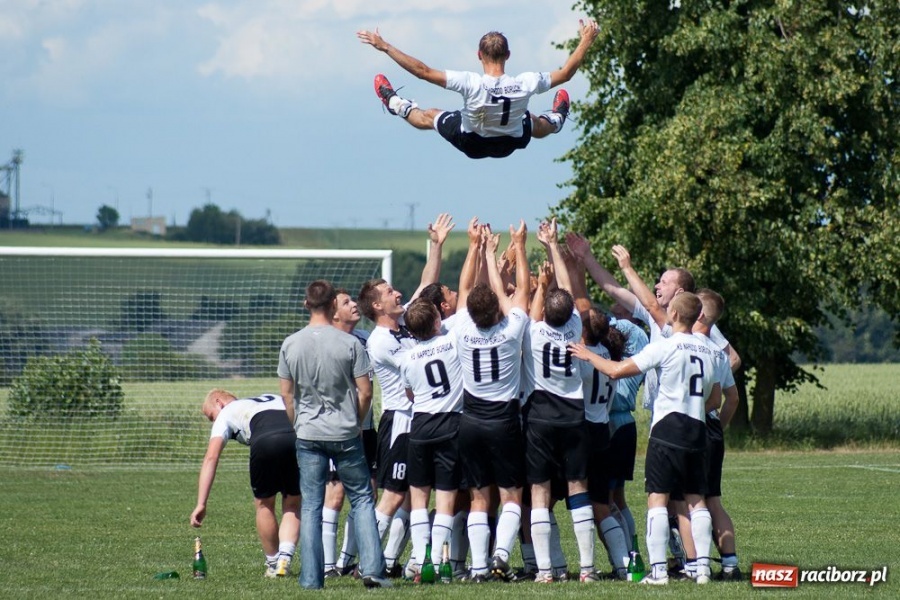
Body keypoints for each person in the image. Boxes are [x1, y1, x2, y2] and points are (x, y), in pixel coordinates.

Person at [569, 292, 722, 585]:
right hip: (698, 430)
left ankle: (659, 571)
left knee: (657, 499)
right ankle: (702, 569)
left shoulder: (665, 346)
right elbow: (715, 398)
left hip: (667, 430)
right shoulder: (708, 348)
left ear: (674, 315)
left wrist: (588, 355)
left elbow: (616, 370)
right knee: (696, 499)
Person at [357, 213, 455, 575]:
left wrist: (437, 244)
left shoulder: (403, 324)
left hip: (420, 420)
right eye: (389, 292)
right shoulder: (381, 342)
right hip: (400, 421)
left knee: (413, 498)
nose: (397, 293)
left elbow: (426, 284)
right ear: (376, 306)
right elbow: (415, 376)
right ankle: (362, 560)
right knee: (394, 495)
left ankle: (394, 562)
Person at [278, 279, 390, 589]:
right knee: (363, 500)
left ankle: (311, 579)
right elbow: (366, 391)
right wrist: (356, 422)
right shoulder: (351, 344)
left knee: (311, 505)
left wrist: (297, 424)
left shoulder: (290, 344)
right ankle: (372, 571)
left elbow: (287, 395)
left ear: (306, 304)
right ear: (331, 306)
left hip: (308, 433)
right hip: (345, 432)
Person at [356, 19, 599, 159]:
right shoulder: (526, 82)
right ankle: (558, 118)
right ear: (508, 55)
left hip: (471, 142)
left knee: (430, 115)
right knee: (534, 122)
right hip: (510, 143)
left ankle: (395, 103)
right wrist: (586, 40)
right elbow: (566, 74)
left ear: (478, 55)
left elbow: (423, 71)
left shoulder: (470, 82)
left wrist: (385, 46)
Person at [454, 217, 530, 581]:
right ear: (499, 308)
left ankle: (479, 567)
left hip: (470, 422)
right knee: (512, 494)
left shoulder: (462, 328)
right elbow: (520, 291)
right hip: (503, 421)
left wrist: (478, 248)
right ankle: (501, 554)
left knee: (479, 498)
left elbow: (464, 287)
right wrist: (518, 248)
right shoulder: (512, 330)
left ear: (470, 312)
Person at [190, 390, 300, 578]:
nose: (213, 422)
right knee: (293, 504)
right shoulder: (272, 398)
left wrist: (201, 503)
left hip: (264, 441)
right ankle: (285, 559)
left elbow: (211, 457)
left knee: (264, 505)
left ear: (219, 403)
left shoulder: (227, 411)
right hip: (294, 438)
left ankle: (273, 563)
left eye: (211, 416)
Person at [399, 298, 466, 579]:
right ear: (438, 321)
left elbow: (410, 394)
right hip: (450, 424)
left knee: (418, 499)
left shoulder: (407, 358)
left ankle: (418, 559)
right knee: (446, 498)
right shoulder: (453, 343)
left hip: (420, 427)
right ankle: (437, 562)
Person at [325, 289, 378, 578]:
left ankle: (346, 560)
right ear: (333, 313)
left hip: (366, 428)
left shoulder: (366, 339)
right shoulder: (326, 342)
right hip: (338, 429)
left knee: (369, 493)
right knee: (335, 494)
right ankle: (327, 564)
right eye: (346, 303)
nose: (354, 304)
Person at [692, 289, 742, 581]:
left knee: (689, 499)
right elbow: (731, 399)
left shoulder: (685, 344)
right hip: (712, 428)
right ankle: (730, 564)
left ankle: (694, 565)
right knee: (713, 499)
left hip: (691, 427)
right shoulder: (717, 354)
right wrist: (718, 427)